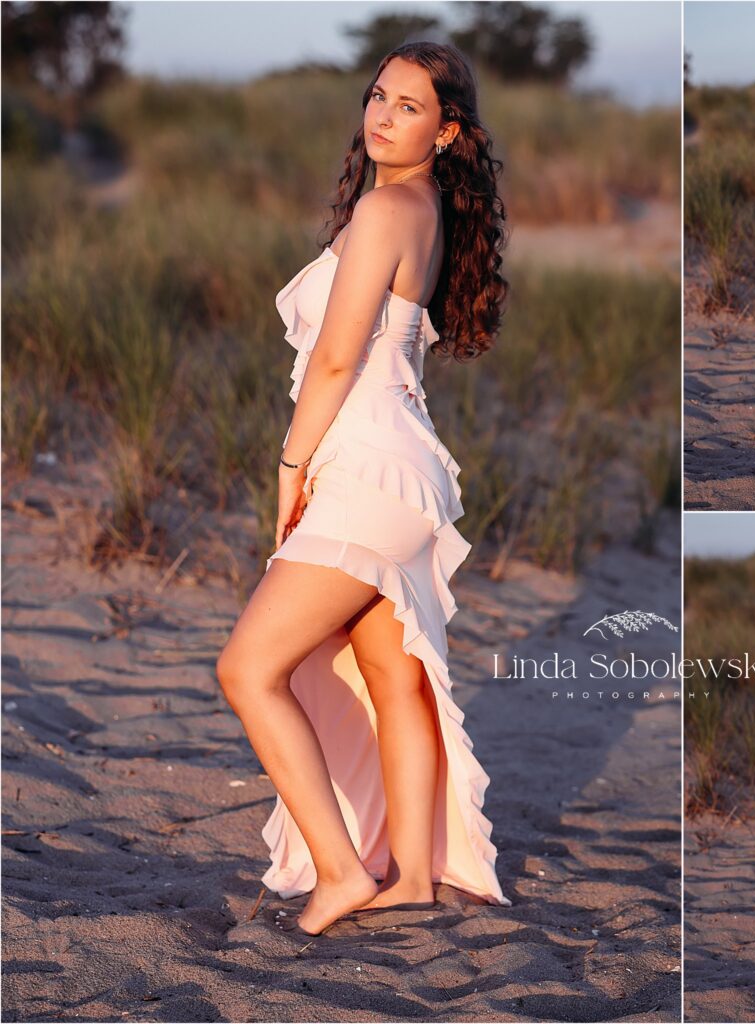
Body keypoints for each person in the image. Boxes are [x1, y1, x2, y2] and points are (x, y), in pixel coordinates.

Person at [216, 41, 511, 937]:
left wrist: (289, 466)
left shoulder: (389, 207)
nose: (382, 116)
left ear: (447, 129)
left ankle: (343, 872)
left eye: (409, 107)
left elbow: (340, 357)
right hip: (402, 463)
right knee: (392, 673)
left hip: (365, 465)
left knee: (247, 669)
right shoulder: (419, 208)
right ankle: (413, 877)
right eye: (378, 97)